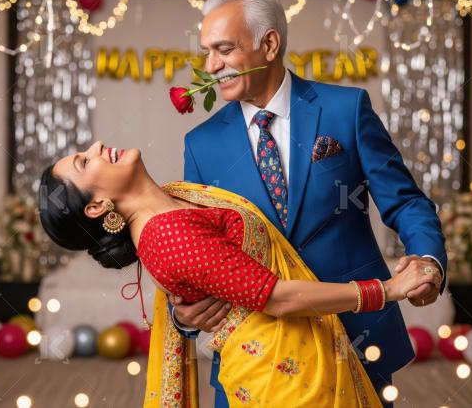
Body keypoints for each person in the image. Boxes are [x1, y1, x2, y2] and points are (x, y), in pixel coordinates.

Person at [175, 0, 448, 407]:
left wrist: (428, 261)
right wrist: (185, 314)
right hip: (254, 355)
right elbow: (198, 256)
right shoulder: (201, 144)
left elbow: (406, 201)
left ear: (269, 44)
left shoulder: (346, 109)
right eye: (207, 51)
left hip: (356, 335)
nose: (211, 65)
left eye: (224, 49)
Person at [38, 140, 442, 407]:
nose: (96, 148)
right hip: (281, 374)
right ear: (97, 207)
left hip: (296, 356)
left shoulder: (173, 201)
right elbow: (278, 297)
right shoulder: (165, 233)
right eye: (84, 161)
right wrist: (387, 289)